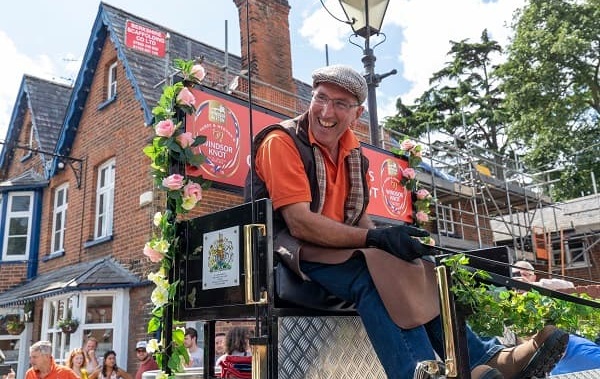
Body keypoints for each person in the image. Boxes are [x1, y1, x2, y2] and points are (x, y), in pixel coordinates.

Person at [245, 64, 569, 379]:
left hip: (336, 250)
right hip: (289, 251)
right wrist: (375, 242)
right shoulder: (281, 142)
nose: (326, 112)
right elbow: (300, 224)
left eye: (340, 104)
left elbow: (359, 220)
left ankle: (482, 359)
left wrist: (394, 246)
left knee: (419, 267)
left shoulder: (354, 152)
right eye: (320, 98)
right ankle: (422, 371)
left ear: (358, 114)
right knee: (371, 275)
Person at [511, 260, 600, 374]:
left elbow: (569, 286)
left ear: (533, 276)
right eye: (515, 274)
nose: (519, 277)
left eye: (523, 274)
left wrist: (529, 285)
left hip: (565, 347)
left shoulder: (545, 287)